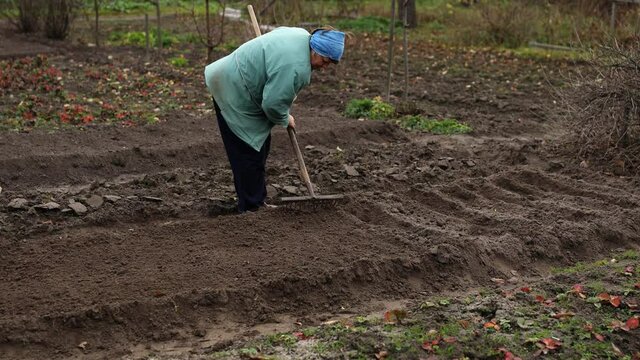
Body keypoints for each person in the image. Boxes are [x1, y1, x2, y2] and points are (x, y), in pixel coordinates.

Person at [204, 26, 345, 213]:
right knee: (248, 150)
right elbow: (272, 104)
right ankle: (252, 208)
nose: (324, 67)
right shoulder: (296, 67)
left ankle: (256, 201)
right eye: (324, 60)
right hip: (233, 88)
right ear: (315, 49)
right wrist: (285, 118)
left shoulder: (301, 35)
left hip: (237, 77)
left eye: (330, 64)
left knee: (259, 146)